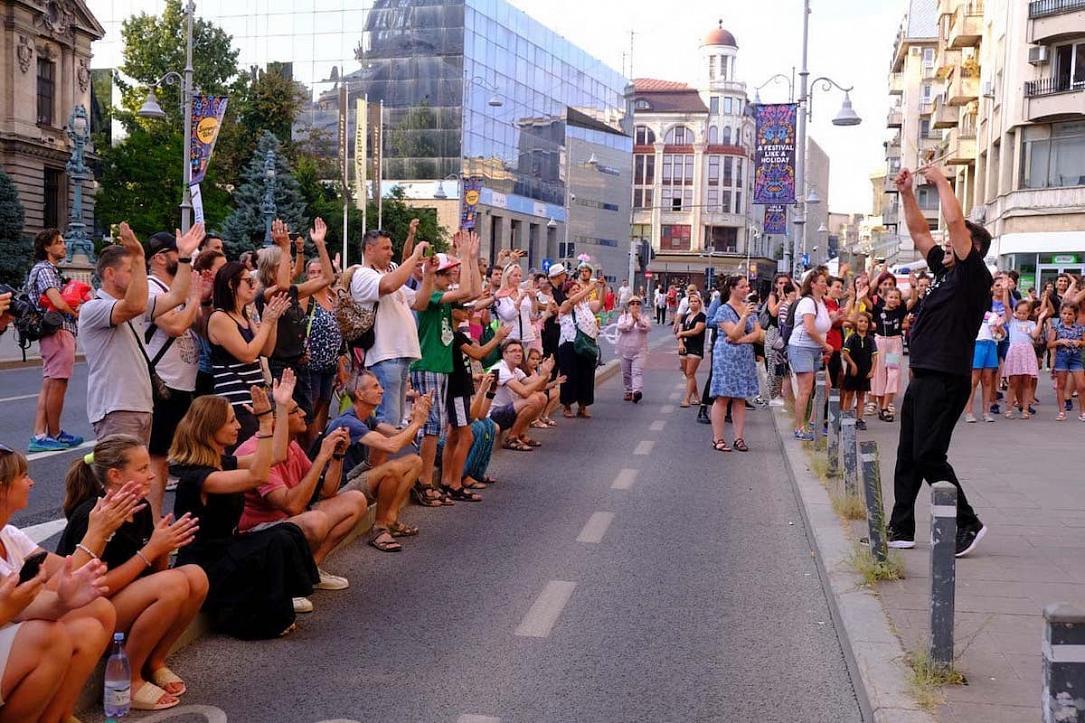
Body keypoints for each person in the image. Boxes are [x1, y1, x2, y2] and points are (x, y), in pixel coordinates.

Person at [57, 435, 208, 710]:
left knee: (196, 577)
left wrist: (163, 546)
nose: (151, 476)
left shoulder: (139, 508)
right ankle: (129, 678)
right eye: (142, 469)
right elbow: (94, 587)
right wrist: (149, 551)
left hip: (122, 603)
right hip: (87, 612)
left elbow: (156, 573)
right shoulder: (93, 516)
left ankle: (155, 661)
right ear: (115, 475)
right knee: (172, 585)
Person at [886, 165, 991, 558]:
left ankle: (968, 522)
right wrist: (908, 193)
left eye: (953, 243)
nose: (944, 246)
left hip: (946, 378)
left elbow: (952, 223)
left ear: (970, 249)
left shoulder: (972, 276)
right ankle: (900, 529)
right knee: (907, 455)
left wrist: (943, 181)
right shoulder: (944, 272)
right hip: (924, 374)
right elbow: (918, 232)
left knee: (929, 454)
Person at [170, 379, 319, 638]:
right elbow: (258, 476)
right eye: (231, 421)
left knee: (287, 533)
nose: (238, 425)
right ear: (210, 428)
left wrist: (281, 408)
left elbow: (277, 454)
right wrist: (263, 423)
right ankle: (255, 618)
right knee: (275, 541)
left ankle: (279, 608)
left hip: (227, 550)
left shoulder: (222, 462)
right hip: (206, 565)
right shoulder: (198, 477)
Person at [0, 443, 117, 721]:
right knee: (49, 636)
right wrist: (97, 533)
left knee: (98, 612)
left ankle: (59, 715)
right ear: (2, 488)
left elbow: (60, 571)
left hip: (14, 632)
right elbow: (28, 607)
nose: (31, 482)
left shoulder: (10, 534)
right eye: (23, 476)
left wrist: (103, 531)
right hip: (20, 633)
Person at [79, 222, 204, 444]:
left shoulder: (134, 304)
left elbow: (175, 295)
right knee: (120, 475)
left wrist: (184, 259)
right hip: (116, 407)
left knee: (141, 473)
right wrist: (138, 256)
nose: (138, 276)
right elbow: (135, 306)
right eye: (131, 271)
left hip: (140, 405)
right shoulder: (94, 308)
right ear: (109, 274)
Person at [236, 413, 362, 598]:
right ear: (276, 421)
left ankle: (309, 570)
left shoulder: (292, 445)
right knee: (315, 521)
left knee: (355, 500)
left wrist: (337, 455)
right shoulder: (253, 451)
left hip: (286, 523)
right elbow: (292, 506)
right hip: (257, 533)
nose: (304, 413)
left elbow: (327, 491)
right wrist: (321, 457)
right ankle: (288, 585)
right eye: (294, 411)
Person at [409, 235, 482, 504]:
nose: (452, 277)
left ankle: (428, 480)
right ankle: (424, 481)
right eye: (448, 273)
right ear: (436, 275)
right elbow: (464, 291)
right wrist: (463, 257)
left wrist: (471, 259)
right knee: (430, 427)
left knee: (436, 428)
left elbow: (473, 293)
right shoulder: (433, 295)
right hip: (427, 365)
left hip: (440, 367)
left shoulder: (445, 296)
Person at [143, 232, 206, 519]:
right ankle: (154, 524)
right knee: (156, 457)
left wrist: (197, 300)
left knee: (168, 458)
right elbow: (176, 326)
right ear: (158, 258)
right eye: (177, 253)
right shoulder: (150, 289)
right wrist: (193, 300)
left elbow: (199, 324)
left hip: (182, 384)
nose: (185, 258)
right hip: (162, 385)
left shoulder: (174, 290)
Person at [326, 371, 429, 546]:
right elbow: (393, 446)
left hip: (355, 475)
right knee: (392, 468)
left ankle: (390, 519)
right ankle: (379, 529)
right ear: (359, 394)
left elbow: (398, 436)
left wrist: (415, 420)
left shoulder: (368, 418)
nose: (381, 390)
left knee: (415, 461)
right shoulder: (349, 421)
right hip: (338, 487)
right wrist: (418, 423)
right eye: (375, 387)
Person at [349, 229, 429, 454]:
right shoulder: (363, 275)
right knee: (388, 419)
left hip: (400, 356)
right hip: (384, 356)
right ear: (369, 249)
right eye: (386, 248)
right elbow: (388, 286)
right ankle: (379, 475)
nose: (391, 253)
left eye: (391, 248)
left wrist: (429, 274)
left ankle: (388, 474)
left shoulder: (390, 272)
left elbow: (420, 303)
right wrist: (413, 257)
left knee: (396, 419)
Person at [255, 218, 335, 417]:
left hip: (299, 363)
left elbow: (327, 278)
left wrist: (319, 244)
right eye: (287, 264)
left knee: (304, 418)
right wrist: (285, 248)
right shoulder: (266, 294)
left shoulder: (292, 290)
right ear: (273, 269)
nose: (293, 269)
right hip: (280, 366)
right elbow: (281, 287)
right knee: (287, 418)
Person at [207, 261, 289, 448]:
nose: (253, 285)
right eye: (248, 281)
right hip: (235, 402)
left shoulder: (242, 316)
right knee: (246, 455)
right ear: (231, 284)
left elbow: (266, 350)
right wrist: (267, 323)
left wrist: (273, 320)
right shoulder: (220, 317)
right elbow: (247, 354)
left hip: (253, 399)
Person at [26, 229, 82, 452]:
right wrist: (77, 314)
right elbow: (57, 302)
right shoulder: (46, 270)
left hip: (53, 331)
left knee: (50, 383)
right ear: (47, 248)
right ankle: (55, 433)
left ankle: (41, 435)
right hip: (58, 330)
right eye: (58, 243)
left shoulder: (45, 270)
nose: (64, 246)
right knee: (58, 383)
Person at [709, 276, 762, 452]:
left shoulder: (750, 309)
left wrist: (742, 341)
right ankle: (718, 438)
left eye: (747, 286)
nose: (746, 289)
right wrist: (744, 317)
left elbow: (757, 334)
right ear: (732, 288)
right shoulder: (723, 310)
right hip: (726, 357)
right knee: (723, 396)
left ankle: (739, 438)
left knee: (740, 397)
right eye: (742, 286)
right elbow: (732, 334)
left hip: (744, 355)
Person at [302, 254, 345, 447]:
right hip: (311, 364)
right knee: (310, 408)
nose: (317, 275)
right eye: (312, 272)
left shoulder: (332, 297)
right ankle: (309, 448)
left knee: (324, 404)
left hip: (330, 364)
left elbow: (340, 334)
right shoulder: (306, 299)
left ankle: (318, 442)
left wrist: (341, 365)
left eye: (320, 272)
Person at [787, 270, 833, 441]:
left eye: (825, 281)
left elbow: (821, 326)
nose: (824, 284)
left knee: (826, 385)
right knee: (805, 389)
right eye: (821, 281)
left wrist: (834, 319)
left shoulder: (820, 303)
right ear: (812, 284)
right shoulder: (807, 302)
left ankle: (814, 421)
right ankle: (799, 427)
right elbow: (809, 328)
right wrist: (825, 345)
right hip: (802, 347)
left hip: (815, 349)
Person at [489, 339, 553, 450]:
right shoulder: (500, 369)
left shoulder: (516, 371)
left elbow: (539, 388)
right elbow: (524, 392)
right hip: (494, 415)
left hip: (508, 412)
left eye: (519, 351)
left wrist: (546, 374)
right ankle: (511, 438)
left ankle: (521, 434)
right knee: (533, 399)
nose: (518, 354)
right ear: (504, 354)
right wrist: (542, 377)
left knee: (541, 397)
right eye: (513, 351)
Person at [558, 277, 604, 418]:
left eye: (578, 289)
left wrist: (601, 288)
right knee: (570, 375)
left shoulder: (586, 306)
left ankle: (583, 405)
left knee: (586, 375)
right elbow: (572, 301)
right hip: (570, 343)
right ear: (567, 293)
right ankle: (567, 405)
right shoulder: (566, 304)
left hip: (587, 344)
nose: (577, 292)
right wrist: (589, 288)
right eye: (573, 290)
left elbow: (600, 305)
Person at [963, 281, 1004, 424]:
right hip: (977, 345)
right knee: (973, 380)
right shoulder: (970, 313)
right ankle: (969, 411)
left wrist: (999, 328)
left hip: (991, 345)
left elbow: (1001, 336)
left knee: (987, 379)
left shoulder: (992, 316)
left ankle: (986, 412)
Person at [1000, 298, 1047, 419]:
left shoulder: (1031, 324)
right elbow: (1006, 306)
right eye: (1019, 312)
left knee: (1027, 382)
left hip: (1027, 352)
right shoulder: (1012, 322)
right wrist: (1005, 289)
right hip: (1015, 352)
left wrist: (1041, 319)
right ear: (1015, 312)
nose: (1021, 315)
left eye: (1025, 313)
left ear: (1029, 313)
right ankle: (1009, 409)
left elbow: (1035, 335)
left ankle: (1025, 409)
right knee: (1013, 382)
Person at [870, 287, 908, 423]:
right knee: (879, 375)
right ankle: (882, 407)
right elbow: (867, 302)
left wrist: (913, 286)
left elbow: (912, 299)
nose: (893, 300)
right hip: (881, 342)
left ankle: (885, 406)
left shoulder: (900, 311)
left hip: (894, 344)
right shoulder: (878, 310)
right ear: (885, 298)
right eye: (890, 297)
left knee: (893, 374)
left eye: (896, 297)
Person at [1047, 303, 1085, 421]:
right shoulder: (1056, 328)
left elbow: (1084, 342)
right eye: (1064, 313)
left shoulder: (1080, 328)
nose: (1067, 316)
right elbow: (1049, 344)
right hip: (1061, 358)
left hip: (1076, 358)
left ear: (1075, 315)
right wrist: (1060, 341)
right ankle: (1061, 412)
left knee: (1081, 386)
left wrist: (1079, 343)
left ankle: (1082, 412)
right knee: (1061, 385)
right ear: (1060, 314)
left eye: (1070, 314)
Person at [841, 312, 876, 430]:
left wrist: (872, 371)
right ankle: (845, 417)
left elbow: (874, 357)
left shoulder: (870, 340)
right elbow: (845, 353)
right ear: (856, 323)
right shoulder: (852, 338)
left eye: (866, 322)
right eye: (861, 321)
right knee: (849, 394)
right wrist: (852, 364)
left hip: (864, 371)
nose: (863, 324)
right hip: (853, 372)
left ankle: (860, 419)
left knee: (861, 395)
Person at [495, 262, 539, 351]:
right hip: (510, 337)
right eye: (515, 275)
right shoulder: (501, 294)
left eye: (520, 275)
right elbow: (508, 315)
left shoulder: (522, 291)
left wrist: (533, 300)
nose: (518, 278)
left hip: (527, 337)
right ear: (507, 277)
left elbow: (533, 316)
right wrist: (519, 299)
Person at [616, 296, 650, 403]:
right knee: (626, 373)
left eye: (637, 303)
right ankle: (628, 390)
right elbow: (621, 328)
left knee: (637, 372)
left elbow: (647, 328)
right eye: (632, 303)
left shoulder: (644, 317)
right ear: (629, 306)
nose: (635, 305)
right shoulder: (623, 317)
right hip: (625, 350)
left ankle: (636, 391)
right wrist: (632, 322)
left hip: (639, 351)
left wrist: (638, 320)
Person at [676, 293, 706, 407]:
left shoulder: (702, 316)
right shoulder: (685, 316)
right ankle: (697, 397)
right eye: (691, 301)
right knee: (688, 374)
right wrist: (680, 342)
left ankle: (686, 399)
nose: (693, 303)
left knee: (690, 373)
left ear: (699, 303)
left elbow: (697, 330)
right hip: (684, 346)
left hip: (695, 347)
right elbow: (679, 330)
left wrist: (682, 333)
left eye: (695, 301)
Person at [539, 264, 568, 363]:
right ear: (558, 275)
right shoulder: (547, 290)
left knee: (558, 358)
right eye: (563, 274)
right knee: (550, 358)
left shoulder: (561, 290)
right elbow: (544, 306)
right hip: (549, 328)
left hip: (559, 328)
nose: (565, 276)